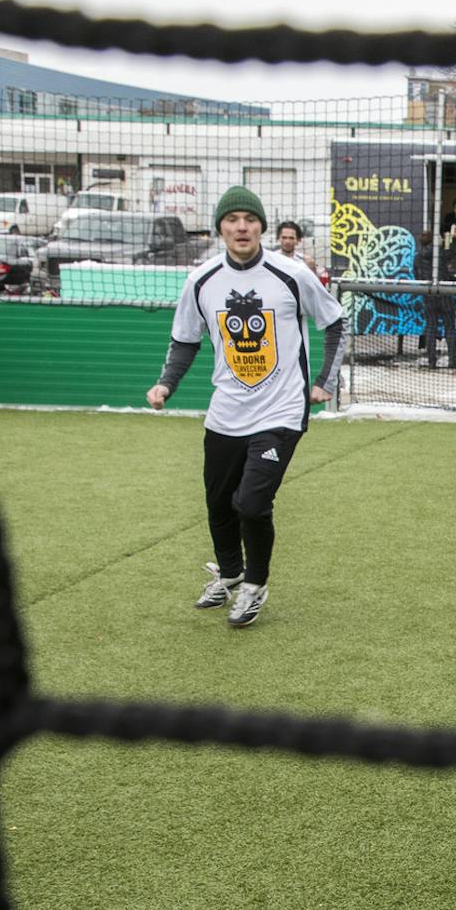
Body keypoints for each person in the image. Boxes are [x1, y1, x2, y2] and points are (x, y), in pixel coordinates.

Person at [146, 186, 343, 630]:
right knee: (218, 502)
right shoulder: (201, 280)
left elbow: (335, 321)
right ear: (220, 227)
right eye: (232, 219)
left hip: (282, 410)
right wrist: (165, 384)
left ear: (261, 227)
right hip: (226, 412)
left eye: (249, 219)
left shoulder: (291, 273)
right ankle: (230, 571)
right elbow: (185, 339)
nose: (241, 227)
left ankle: (254, 584)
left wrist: (324, 381)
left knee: (251, 504)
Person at [413, 230, 456, 370]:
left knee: (430, 327)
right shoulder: (439, 254)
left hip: (428, 295)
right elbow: (452, 252)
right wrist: (453, 238)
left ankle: (431, 361)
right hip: (444, 294)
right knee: (450, 328)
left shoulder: (417, 258)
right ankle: (453, 360)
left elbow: (416, 276)